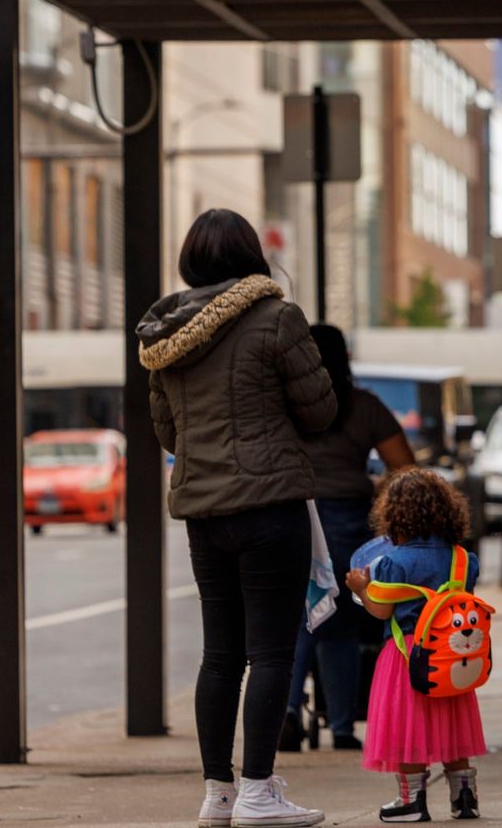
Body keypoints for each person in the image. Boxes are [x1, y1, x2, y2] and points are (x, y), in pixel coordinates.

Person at [137, 208, 337, 828]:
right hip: (270, 504)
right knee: (273, 650)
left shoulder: (163, 334)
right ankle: (257, 792)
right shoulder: (277, 318)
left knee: (220, 653)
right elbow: (321, 412)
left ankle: (218, 794)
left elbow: (167, 430)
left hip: (204, 510)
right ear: (251, 254)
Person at [280, 324, 417, 754]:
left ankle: (283, 713)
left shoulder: (282, 405)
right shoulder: (364, 405)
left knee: (299, 619)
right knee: (339, 622)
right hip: (345, 519)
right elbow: (404, 468)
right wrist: (370, 484)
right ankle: (341, 727)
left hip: (290, 513)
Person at [344, 469, 488, 823]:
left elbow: (382, 610)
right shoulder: (461, 558)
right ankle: (464, 795)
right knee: (452, 724)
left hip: (408, 651)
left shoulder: (394, 562)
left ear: (394, 514)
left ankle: (411, 799)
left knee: (408, 725)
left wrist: (361, 587)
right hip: (452, 653)